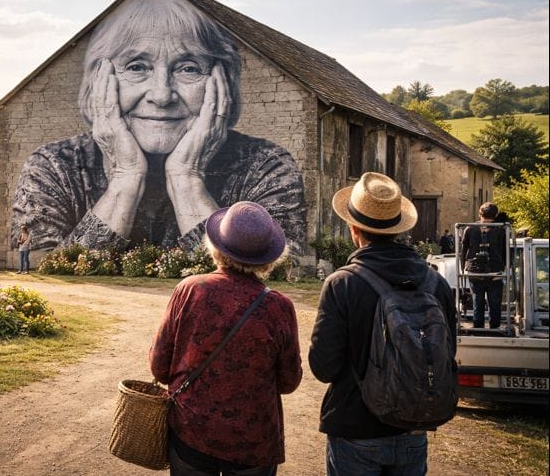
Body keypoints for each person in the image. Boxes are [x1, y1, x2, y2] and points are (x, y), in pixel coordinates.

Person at [12, 0, 306, 258]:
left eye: (188, 68)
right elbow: (47, 273)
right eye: (137, 67)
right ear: (97, 81)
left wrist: (187, 178)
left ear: (223, 83)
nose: (162, 95)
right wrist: (125, 177)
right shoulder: (53, 166)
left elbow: (270, 273)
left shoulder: (266, 166)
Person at [309, 172, 456, 475]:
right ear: (399, 227)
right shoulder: (435, 283)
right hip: (412, 427)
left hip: (355, 427)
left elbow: (324, 368)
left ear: (354, 229)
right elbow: (445, 353)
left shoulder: (342, 284)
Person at [150, 201, 302, 475]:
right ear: (268, 257)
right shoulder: (279, 306)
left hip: (192, 432)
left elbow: (159, 366)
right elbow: (289, 381)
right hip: (253, 440)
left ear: (218, 247)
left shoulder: (190, 290)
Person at [461, 202, 507, 329]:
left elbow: (463, 251)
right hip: (495, 269)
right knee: (495, 302)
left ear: (480, 213)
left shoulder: (469, 228)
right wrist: (504, 267)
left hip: (474, 269)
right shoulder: (500, 230)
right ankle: (495, 328)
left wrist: (463, 268)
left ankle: (478, 328)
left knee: (477, 300)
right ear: (495, 215)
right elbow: (505, 251)